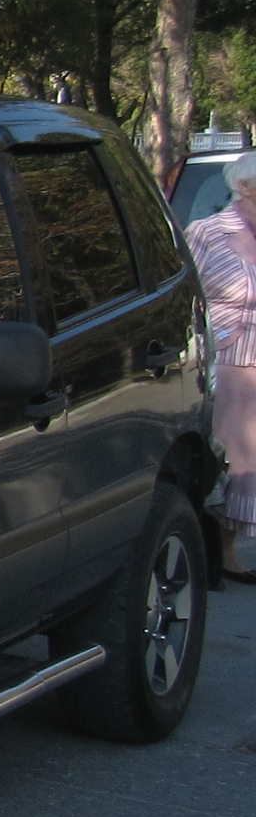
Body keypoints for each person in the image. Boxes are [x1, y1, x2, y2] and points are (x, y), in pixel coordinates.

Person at [185, 150, 256, 579]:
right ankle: (221, 553)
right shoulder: (208, 232)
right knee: (234, 457)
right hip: (229, 358)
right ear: (244, 187)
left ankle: (227, 551)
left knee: (249, 461)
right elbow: (184, 290)